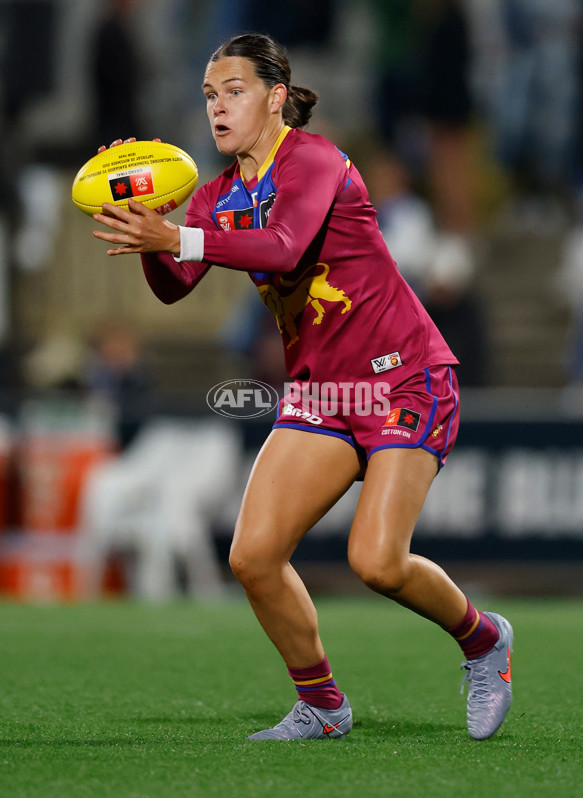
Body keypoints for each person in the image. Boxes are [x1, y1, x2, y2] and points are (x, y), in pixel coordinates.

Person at [91, 32, 513, 742]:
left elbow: (284, 245)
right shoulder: (218, 195)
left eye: (234, 91)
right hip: (322, 395)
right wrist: (147, 223)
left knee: (377, 563)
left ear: (275, 97)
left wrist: (178, 238)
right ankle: (322, 706)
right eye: (209, 95)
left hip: (403, 378)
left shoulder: (315, 160)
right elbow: (174, 285)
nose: (218, 108)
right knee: (253, 557)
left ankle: (484, 641)